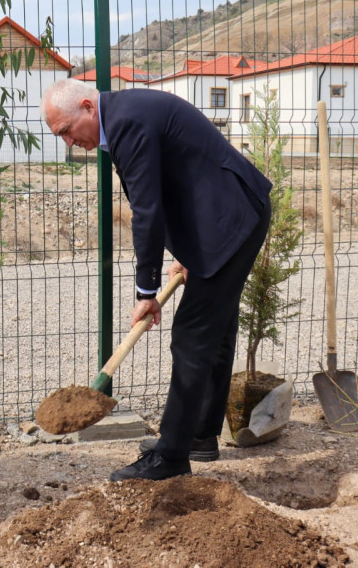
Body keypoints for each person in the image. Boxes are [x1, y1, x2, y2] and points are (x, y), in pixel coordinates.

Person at [40, 79, 272, 482]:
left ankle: (172, 455)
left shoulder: (127, 122)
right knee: (214, 330)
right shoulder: (125, 116)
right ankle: (198, 435)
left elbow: (147, 210)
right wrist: (187, 251)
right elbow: (176, 184)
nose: (69, 142)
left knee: (191, 336)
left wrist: (146, 292)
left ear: (87, 107)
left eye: (66, 131)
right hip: (222, 215)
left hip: (231, 218)